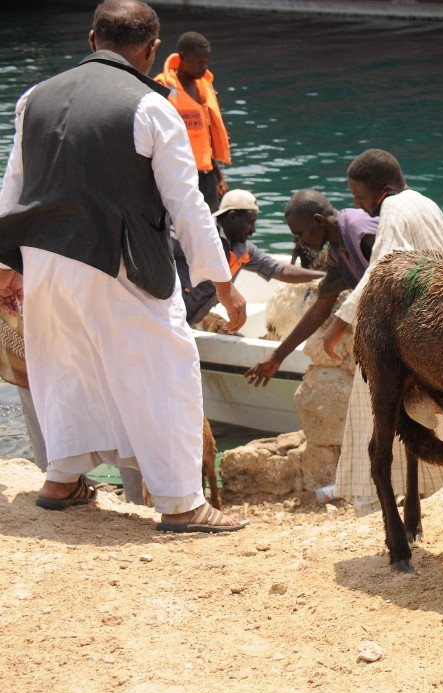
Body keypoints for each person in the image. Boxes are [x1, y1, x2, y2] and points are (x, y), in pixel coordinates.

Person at [0, 0, 248, 532]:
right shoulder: (151, 107)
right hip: (115, 261)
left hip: (43, 259)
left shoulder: (32, 98)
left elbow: (14, 186)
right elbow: (187, 205)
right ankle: (182, 502)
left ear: (92, 39)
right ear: (153, 48)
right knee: (169, 365)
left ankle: (61, 478)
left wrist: (6, 265)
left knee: (63, 361)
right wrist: (223, 284)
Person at [321, 149, 443, 512]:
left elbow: (382, 268)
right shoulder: (428, 204)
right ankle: (438, 485)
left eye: (359, 196)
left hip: (408, 326)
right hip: (442, 323)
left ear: (382, 189)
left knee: (374, 405)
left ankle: (370, 498)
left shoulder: (393, 209)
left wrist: (339, 325)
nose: (357, 205)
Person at [243, 188, 378, 385]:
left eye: (299, 233)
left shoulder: (361, 229)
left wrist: (340, 323)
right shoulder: (335, 253)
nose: (299, 241)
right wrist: (277, 357)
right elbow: (320, 309)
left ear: (318, 221)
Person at [176, 188, 325, 325]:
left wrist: (325, 275)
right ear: (232, 217)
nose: (253, 230)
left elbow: (282, 271)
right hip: (169, 314)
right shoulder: (198, 235)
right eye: (250, 222)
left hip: (188, 320)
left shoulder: (243, 249)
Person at [154, 31, 229, 212]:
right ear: (182, 57)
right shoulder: (162, 88)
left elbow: (205, 138)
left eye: (206, 63)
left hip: (206, 175)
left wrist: (219, 178)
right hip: (178, 176)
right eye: (198, 63)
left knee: (211, 225)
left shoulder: (204, 86)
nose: (204, 68)